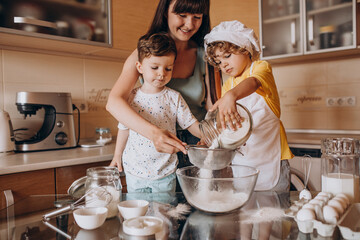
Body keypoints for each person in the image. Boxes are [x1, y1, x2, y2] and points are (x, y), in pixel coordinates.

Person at [106, 0, 219, 159]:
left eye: (197, 17)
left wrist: (210, 136)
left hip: (196, 145)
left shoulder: (206, 55)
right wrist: (154, 134)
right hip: (154, 146)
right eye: (182, 15)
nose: (189, 24)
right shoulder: (145, 52)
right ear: (165, 11)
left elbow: (212, 107)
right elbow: (114, 103)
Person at [203, 20, 294, 191]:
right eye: (218, 61)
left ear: (245, 49)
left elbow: (253, 83)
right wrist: (214, 134)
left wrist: (232, 96)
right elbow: (226, 122)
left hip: (272, 158)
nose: (224, 64)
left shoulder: (261, 68)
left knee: (275, 213)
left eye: (227, 56)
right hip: (242, 164)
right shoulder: (228, 85)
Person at [110, 32, 202, 193]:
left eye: (168, 68)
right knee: (137, 216)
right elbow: (123, 128)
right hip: (135, 172)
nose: (162, 73)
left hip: (165, 173)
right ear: (139, 67)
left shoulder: (174, 97)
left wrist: (211, 136)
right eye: (155, 67)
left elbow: (191, 124)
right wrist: (117, 154)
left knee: (165, 216)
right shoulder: (130, 98)